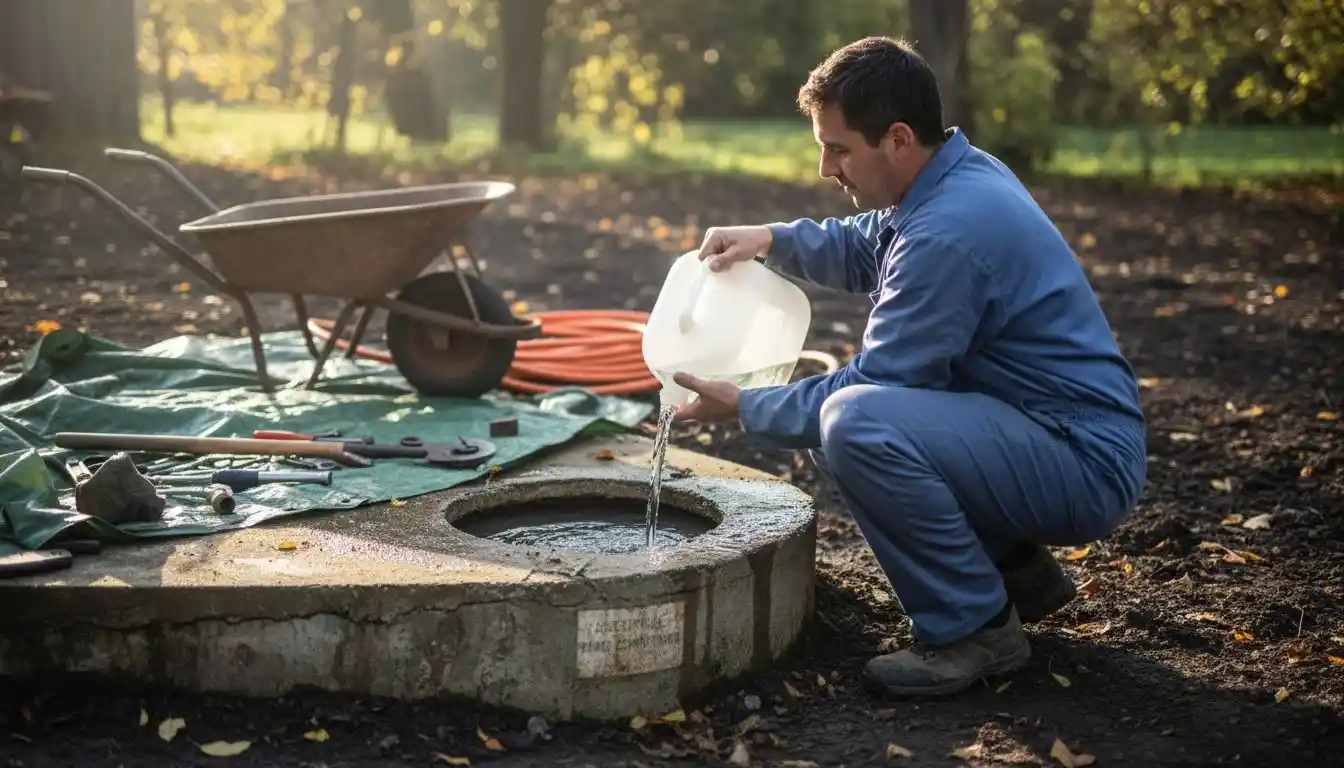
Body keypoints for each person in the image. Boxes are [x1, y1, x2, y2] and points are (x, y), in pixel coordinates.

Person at [670, 37, 1147, 698]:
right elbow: (870, 243)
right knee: (843, 425)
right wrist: (773, 239)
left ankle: (975, 630)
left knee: (854, 423)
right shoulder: (950, 178)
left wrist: (745, 405)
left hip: (1081, 460)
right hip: (1045, 431)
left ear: (897, 139)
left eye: (837, 148)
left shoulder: (949, 230)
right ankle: (1012, 573)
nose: (824, 168)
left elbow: (877, 385)